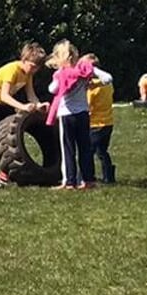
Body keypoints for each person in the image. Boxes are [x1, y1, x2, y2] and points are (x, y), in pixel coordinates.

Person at [0, 43, 47, 188]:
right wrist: (22, 107)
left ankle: (5, 174)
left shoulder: (28, 74)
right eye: (32, 65)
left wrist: (38, 105)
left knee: (9, 137)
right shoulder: (12, 70)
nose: (34, 69)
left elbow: (31, 94)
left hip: (5, 103)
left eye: (37, 67)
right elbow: (3, 96)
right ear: (24, 59)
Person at [45, 40, 96, 191]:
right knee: (84, 148)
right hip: (83, 113)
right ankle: (89, 179)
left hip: (67, 115)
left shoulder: (60, 74)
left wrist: (56, 78)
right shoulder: (82, 73)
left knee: (68, 148)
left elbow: (52, 90)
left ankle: (69, 181)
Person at [83, 53, 117, 183]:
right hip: (108, 122)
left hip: (95, 123)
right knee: (102, 151)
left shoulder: (92, 87)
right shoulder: (107, 84)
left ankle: (87, 176)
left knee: (88, 151)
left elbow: (88, 105)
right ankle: (109, 175)